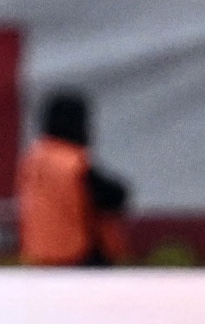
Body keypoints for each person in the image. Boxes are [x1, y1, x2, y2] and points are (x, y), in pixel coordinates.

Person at [16, 91, 129, 267]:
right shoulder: (72, 162)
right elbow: (115, 197)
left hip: (40, 258)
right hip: (78, 258)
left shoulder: (33, 160)